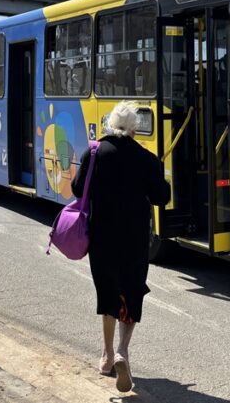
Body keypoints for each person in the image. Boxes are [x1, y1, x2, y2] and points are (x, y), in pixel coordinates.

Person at [71, 101, 170, 393]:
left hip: (102, 237)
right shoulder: (146, 157)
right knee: (131, 291)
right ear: (134, 128)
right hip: (136, 239)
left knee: (108, 294)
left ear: (111, 124)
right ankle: (123, 351)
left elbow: (77, 189)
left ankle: (105, 356)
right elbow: (161, 197)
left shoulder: (94, 152)